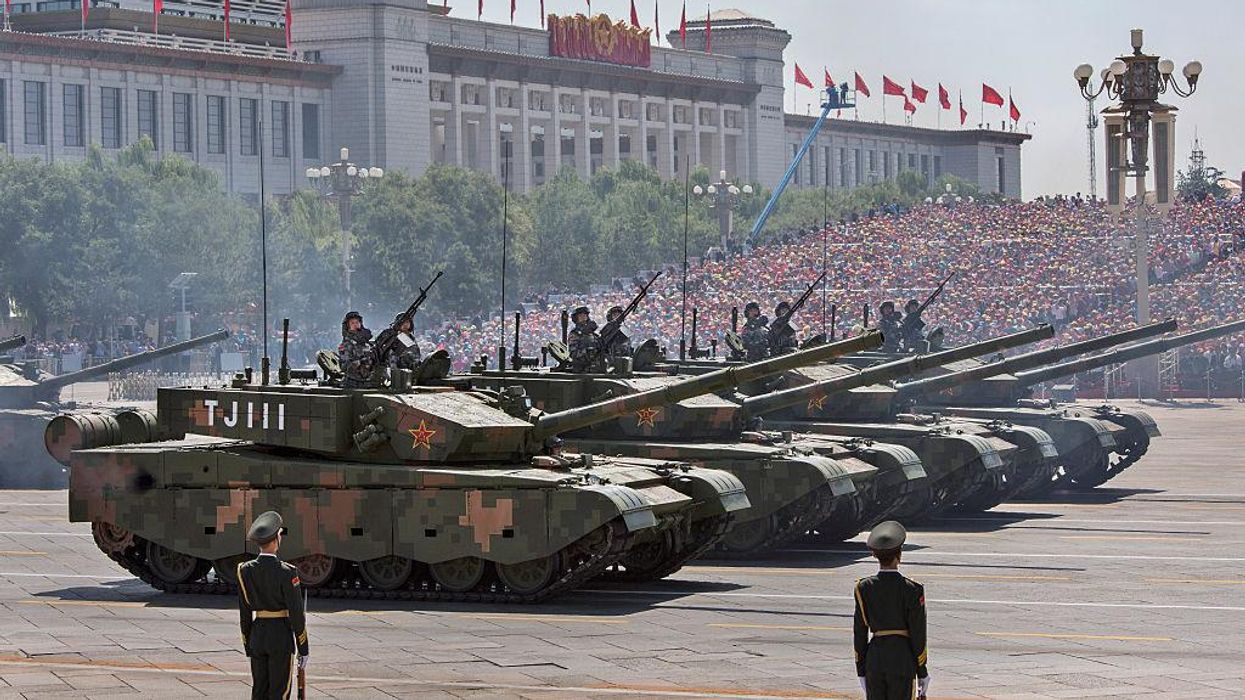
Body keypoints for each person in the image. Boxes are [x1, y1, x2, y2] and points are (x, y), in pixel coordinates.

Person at [853, 521, 929, 700]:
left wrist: (861, 669)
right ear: (899, 555)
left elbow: (860, 632)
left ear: (874, 554)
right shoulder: (912, 589)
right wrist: (922, 671)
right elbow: (918, 633)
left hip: (875, 661)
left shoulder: (863, 587)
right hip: (902, 660)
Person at [238, 511, 309, 700]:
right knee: (279, 693)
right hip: (280, 636)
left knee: (259, 692)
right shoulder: (287, 572)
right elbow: (296, 614)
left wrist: (248, 644)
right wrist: (303, 648)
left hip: (257, 636)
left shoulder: (244, 570)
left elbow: (245, 613)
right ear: (276, 539)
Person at [337, 311, 376, 388]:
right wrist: (362, 362)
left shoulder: (367, 343)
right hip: (353, 383)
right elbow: (345, 366)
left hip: (368, 381)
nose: (355, 324)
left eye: (357, 322)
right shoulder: (346, 344)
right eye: (352, 323)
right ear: (348, 326)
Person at [566, 306, 600, 373]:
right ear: (576, 318)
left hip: (596, 368)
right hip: (582, 369)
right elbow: (573, 353)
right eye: (580, 316)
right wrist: (589, 351)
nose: (583, 317)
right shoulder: (574, 334)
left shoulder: (593, 335)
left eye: (585, 315)